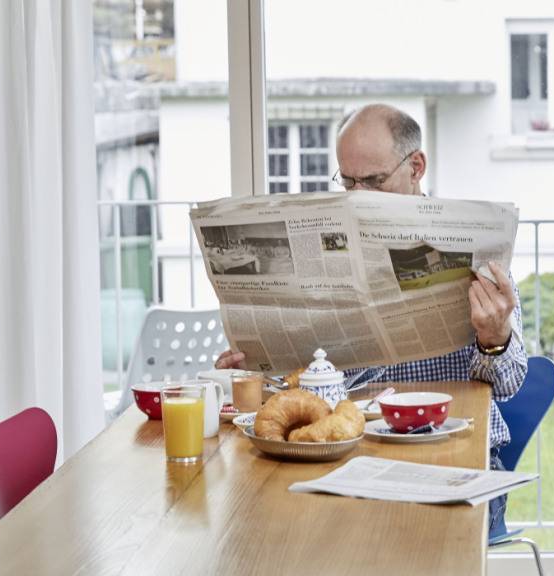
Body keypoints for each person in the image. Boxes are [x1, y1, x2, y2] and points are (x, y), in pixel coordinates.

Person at [215, 104, 528, 535]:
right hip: (349, 459)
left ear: (416, 166)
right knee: (260, 525)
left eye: (373, 181)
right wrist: (259, 372)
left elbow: (510, 382)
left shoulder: (468, 238)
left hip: (449, 464)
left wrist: (495, 337)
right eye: (347, 180)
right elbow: (310, 388)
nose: (358, 194)